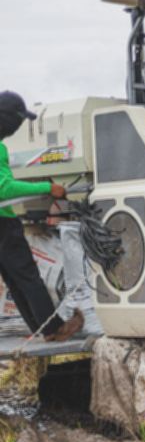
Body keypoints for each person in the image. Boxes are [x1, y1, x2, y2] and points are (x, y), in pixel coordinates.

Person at [0, 91, 83, 342]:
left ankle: (41, 328)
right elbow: (4, 188)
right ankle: (54, 329)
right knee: (27, 275)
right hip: (3, 223)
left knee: (15, 278)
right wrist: (48, 187)